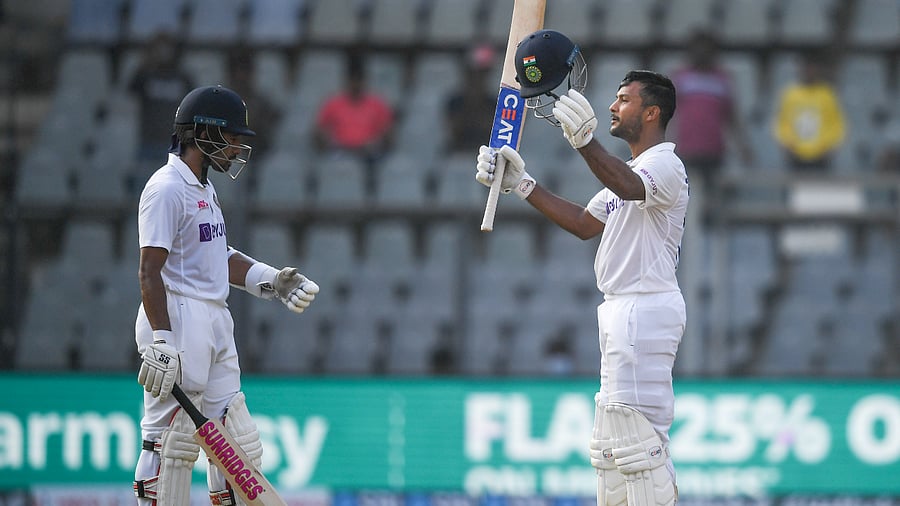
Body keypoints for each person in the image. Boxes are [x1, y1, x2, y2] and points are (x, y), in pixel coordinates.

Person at [475, 30, 687, 506]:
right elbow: (583, 224)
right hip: (620, 310)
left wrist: (586, 143)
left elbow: (630, 187)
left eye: (624, 100)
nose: (613, 106)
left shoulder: (664, 167)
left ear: (651, 113)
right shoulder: (629, 172)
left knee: (640, 445)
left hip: (647, 308)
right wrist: (522, 184)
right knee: (611, 448)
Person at [133, 85, 320, 504]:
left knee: (237, 443)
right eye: (232, 137)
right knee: (171, 443)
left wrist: (272, 280)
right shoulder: (166, 188)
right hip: (178, 318)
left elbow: (216, 255)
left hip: (215, 317)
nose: (236, 148)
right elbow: (149, 270)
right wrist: (162, 340)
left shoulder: (203, 189)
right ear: (203, 132)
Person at [313, 49, 395, 188]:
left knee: (379, 164)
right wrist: (326, 140)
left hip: (368, 154)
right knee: (331, 163)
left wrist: (379, 141)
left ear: (364, 81)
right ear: (347, 80)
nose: (356, 84)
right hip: (340, 152)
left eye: (359, 80)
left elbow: (388, 133)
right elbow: (319, 131)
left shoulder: (377, 103)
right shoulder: (333, 103)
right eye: (353, 80)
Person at [127, 31, 194, 188]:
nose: (164, 52)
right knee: (145, 190)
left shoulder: (183, 77)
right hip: (148, 142)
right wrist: (146, 61)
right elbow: (130, 90)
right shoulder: (145, 75)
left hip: (175, 146)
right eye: (159, 48)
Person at [772, 50, 846, 170]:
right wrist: (786, 143)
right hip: (795, 156)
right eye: (806, 68)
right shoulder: (790, 94)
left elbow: (837, 123)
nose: (809, 71)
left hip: (822, 156)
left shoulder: (827, 94)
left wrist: (831, 146)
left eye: (812, 68)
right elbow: (781, 122)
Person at [444, 42, 498, 153]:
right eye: (473, 74)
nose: (476, 79)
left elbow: (493, 131)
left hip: (488, 153)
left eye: (481, 75)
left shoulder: (494, 103)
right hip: (459, 152)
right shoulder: (454, 102)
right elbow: (454, 132)